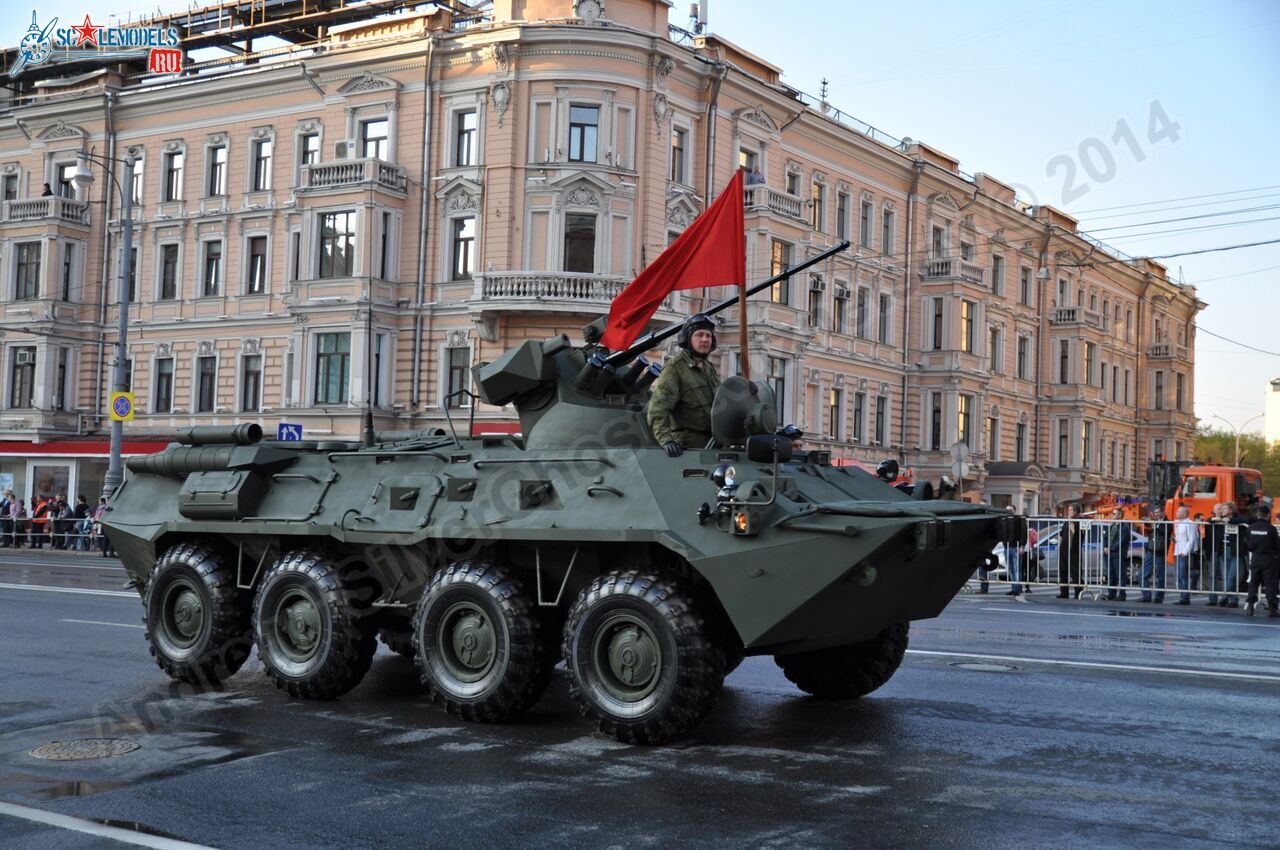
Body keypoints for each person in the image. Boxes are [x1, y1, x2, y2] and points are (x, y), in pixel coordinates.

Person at [646, 313, 721, 457]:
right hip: (687, 447)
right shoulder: (675, 368)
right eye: (699, 335)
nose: (705, 339)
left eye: (708, 336)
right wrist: (666, 440)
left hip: (712, 443)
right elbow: (658, 408)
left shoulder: (709, 368)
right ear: (687, 339)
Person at [1242, 504, 1279, 617]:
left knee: (1254, 583)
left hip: (1256, 557)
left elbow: (1246, 542)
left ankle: (1250, 607)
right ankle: (1272, 609)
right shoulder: (1271, 528)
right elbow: (1276, 544)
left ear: (1258, 515)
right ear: (1267, 515)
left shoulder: (1251, 527)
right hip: (1269, 558)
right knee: (1270, 584)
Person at [1139, 505, 1169, 603]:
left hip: (1160, 551)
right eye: (1155, 513)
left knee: (1160, 576)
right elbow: (1148, 532)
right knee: (1142, 574)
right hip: (1151, 551)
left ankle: (1159, 598)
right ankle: (1146, 596)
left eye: (1158, 512)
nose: (1156, 514)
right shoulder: (1155, 522)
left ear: (1163, 512)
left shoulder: (1167, 522)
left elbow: (1164, 532)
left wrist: (1154, 525)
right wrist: (1147, 523)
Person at [1172, 505, 1200, 605]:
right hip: (1177, 551)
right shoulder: (1177, 523)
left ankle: (1185, 597)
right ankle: (1183, 595)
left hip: (1184, 552)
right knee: (1178, 575)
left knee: (1182, 575)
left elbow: (1192, 539)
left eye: (1179, 512)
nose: (1176, 513)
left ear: (1185, 514)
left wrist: (1185, 551)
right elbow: (1179, 537)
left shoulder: (1190, 523)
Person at [1104, 507, 1132, 601]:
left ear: (1120, 515)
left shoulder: (1125, 527)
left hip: (1118, 554)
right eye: (1112, 513)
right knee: (1111, 575)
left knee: (1120, 575)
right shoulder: (1112, 526)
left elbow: (1121, 541)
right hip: (1109, 554)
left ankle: (1122, 594)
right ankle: (1111, 594)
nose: (1112, 515)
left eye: (1114, 514)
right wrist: (1105, 546)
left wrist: (1110, 548)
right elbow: (1105, 537)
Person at [1058, 503, 1083, 598]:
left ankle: (1078, 593)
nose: (1068, 512)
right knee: (1063, 571)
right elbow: (1061, 534)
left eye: (1070, 510)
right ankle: (1064, 592)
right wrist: (1059, 545)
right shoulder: (1066, 521)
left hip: (1074, 550)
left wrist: (1071, 520)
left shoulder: (1079, 521)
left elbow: (1074, 532)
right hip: (1064, 549)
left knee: (1075, 572)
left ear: (1075, 511)